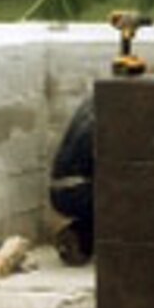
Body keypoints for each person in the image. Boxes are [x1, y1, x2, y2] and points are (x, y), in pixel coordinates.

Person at [48, 94, 96, 263]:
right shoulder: (115, 112)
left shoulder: (93, 101)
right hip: (80, 191)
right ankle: (83, 239)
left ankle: (79, 236)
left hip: (61, 190)